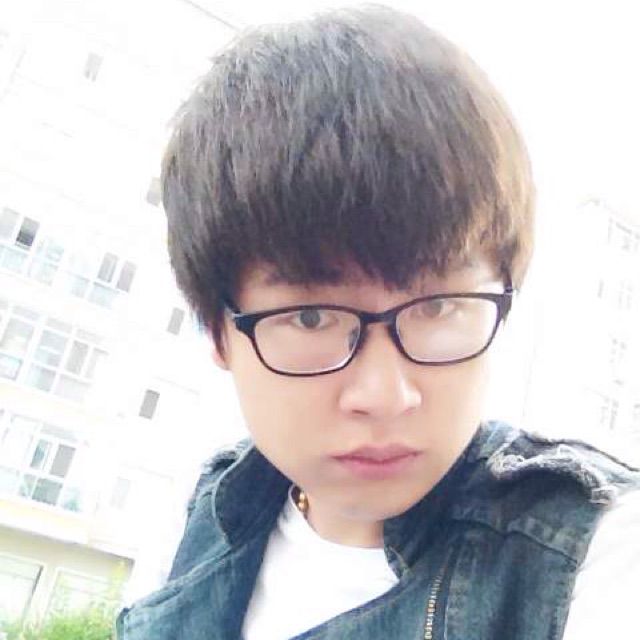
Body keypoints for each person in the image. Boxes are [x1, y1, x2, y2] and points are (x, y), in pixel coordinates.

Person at [116, 5, 640, 639]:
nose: (386, 395)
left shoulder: (594, 555)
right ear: (217, 330)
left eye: (438, 308)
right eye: (311, 317)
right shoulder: (188, 528)